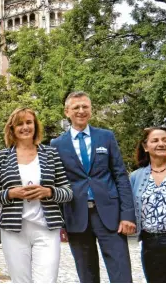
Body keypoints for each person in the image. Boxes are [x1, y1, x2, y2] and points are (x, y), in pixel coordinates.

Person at [51, 91, 136, 283]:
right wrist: (61, 223)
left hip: (110, 216)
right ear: (67, 112)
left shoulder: (106, 137)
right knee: (87, 275)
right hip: (76, 217)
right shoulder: (56, 144)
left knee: (122, 273)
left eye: (85, 107)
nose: (81, 111)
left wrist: (127, 215)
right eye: (76, 107)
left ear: (91, 110)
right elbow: (57, 183)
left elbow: (120, 176)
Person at [0, 107, 73, 283]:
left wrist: (48, 192)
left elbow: (67, 192)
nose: (25, 127)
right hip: (13, 231)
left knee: (47, 280)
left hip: (46, 228)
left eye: (29, 122)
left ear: (35, 126)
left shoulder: (50, 154)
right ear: (12, 128)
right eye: (19, 124)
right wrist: (10, 193)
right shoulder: (2, 157)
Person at [130, 127, 166, 283]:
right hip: (150, 243)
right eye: (155, 140)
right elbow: (128, 205)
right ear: (145, 147)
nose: (161, 144)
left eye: (165, 140)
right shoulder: (136, 176)